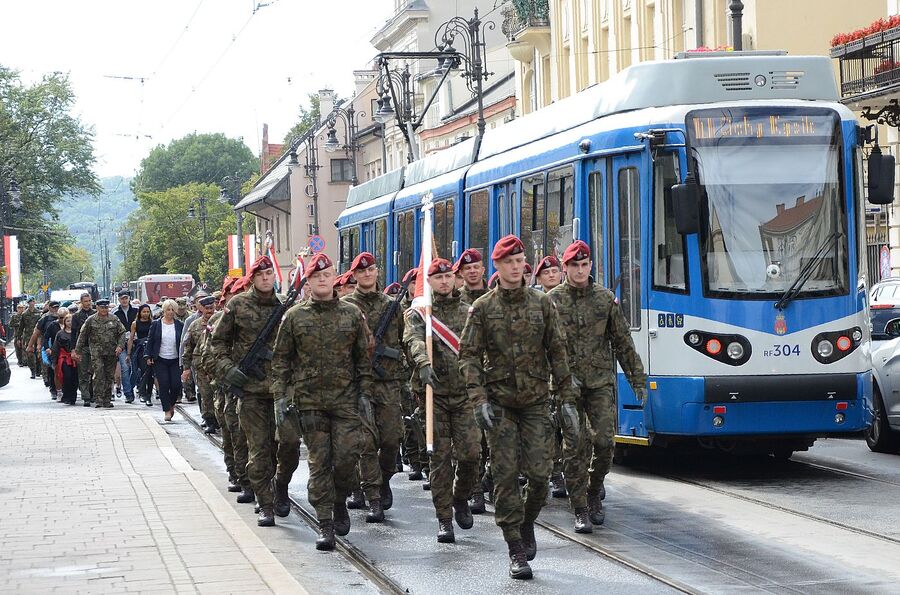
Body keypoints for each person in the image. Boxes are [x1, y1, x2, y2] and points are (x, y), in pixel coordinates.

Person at [459, 234, 578, 580]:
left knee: (541, 476)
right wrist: (478, 399)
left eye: (519, 261)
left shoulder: (541, 305)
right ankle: (514, 547)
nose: (515, 267)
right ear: (496, 266)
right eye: (508, 262)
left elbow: (558, 352)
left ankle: (526, 523)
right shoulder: (483, 308)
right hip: (500, 406)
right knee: (506, 475)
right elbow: (467, 356)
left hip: (537, 402)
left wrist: (567, 398)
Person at [271, 253, 372, 550]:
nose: (323, 279)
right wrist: (279, 396)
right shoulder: (294, 316)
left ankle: (340, 499)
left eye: (327, 274)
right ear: (309, 281)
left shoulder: (351, 314)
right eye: (317, 276)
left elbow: (362, 358)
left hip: (345, 401)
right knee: (318, 462)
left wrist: (365, 392)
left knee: (345, 461)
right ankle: (325, 522)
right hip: (310, 401)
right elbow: (281, 361)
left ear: (334, 277)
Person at [548, 240, 647, 533]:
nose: (580, 270)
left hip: (599, 383)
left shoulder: (606, 300)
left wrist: (636, 379)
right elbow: (541, 346)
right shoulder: (551, 301)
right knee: (574, 447)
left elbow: (623, 342)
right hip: (566, 387)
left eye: (584, 264)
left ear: (591, 265)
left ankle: (594, 490)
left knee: (604, 443)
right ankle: (579, 508)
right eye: (574, 265)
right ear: (565, 268)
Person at [211, 256, 299, 527]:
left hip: (282, 391)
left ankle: (281, 485)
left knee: (289, 447)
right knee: (259, 450)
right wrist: (228, 369)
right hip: (251, 392)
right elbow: (217, 344)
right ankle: (266, 504)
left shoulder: (287, 307)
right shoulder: (237, 305)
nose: (265, 277)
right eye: (260, 274)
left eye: (270, 272)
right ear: (252, 278)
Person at [404, 258, 479, 543]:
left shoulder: (468, 312)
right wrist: (423, 363)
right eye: (438, 277)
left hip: (464, 396)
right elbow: (413, 340)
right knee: (440, 458)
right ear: (430, 282)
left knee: (471, 455)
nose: (445, 281)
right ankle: (444, 518)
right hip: (433, 396)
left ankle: (460, 497)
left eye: (448, 276)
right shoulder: (420, 313)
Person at [342, 252, 404, 523]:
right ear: (354, 275)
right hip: (358, 385)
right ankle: (374, 498)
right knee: (366, 443)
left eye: (372, 270)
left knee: (391, 440)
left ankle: (384, 478)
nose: (367, 275)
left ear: (377, 272)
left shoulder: (392, 305)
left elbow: (402, 342)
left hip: (388, 382)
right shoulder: (345, 306)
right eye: (362, 271)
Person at [202, 276, 251, 498]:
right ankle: (240, 477)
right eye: (235, 292)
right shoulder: (217, 321)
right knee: (235, 439)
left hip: (256, 389)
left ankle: (259, 482)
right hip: (228, 391)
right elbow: (207, 357)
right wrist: (228, 372)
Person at [533, 255, 566, 498]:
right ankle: (555, 474)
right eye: (547, 273)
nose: (551, 275)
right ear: (539, 278)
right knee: (551, 430)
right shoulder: (537, 304)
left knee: (578, 433)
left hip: (569, 376)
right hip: (546, 381)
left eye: (555, 270)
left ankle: (585, 475)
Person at [74, 299, 126, 409]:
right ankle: (98, 399)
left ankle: (107, 399)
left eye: (106, 307)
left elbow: (122, 333)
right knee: (98, 374)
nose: (104, 309)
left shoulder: (114, 319)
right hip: (96, 352)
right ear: (97, 308)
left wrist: (120, 346)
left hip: (111, 352)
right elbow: (82, 336)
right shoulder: (91, 320)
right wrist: (77, 351)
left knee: (109, 376)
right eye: (102, 307)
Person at [182, 295, 218, 432]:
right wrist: (186, 368)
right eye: (207, 308)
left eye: (211, 308)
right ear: (201, 308)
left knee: (219, 394)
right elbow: (188, 347)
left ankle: (219, 419)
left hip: (218, 366)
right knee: (206, 394)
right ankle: (210, 421)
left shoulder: (221, 322)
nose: (209, 311)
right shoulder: (195, 325)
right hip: (202, 367)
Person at [145, 300, 185, 421]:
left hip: (175, 359)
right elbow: (150, 340)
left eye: (173, 310)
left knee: (176, 385)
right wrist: (148, 356)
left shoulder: (179, 325)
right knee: (164, 383)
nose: (170, 312)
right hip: (160, 359)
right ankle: (167, 410)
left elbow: (183, 342)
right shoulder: (156, 324)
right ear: (164, 310)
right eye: (168, 309)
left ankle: (171, 404)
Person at [28, 301, 61, 399]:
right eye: (54, 307)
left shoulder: (64, 317)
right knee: (51, 368)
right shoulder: (45, 319)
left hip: (63, 346)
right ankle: (53, 390)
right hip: (49, 346)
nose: (56, 309)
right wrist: (30, 345)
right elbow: (36, 333)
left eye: (57, 307)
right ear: (50, 308)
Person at [112, 291, 138, 402]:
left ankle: (132, 387)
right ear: (119, 300)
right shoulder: (115, 313)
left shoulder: (136, 311)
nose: (124, 300)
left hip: (135, 343)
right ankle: (128, 393)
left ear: (129, 298)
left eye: (126, 298)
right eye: (122, 298)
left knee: (136, 369)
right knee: (125, 368)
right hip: (122, 344)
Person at [71, 293, 96, 406]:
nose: (88, 303)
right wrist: (74, 350)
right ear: (81, 302)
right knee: (83, 373)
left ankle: (93, 395)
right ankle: (86, 397)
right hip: (83, 347)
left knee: (95, 372)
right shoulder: (76, 316)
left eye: (89, 301)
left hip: (95, 347)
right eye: (85, 301)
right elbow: (73, 334)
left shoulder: (95, 313)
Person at [128, 304, 154, 405]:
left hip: (150, 349)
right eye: (144, 312)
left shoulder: (153, 322)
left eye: (148, 312)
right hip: (140, 349)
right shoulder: (135, 323)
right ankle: (142, 393)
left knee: (150, 373)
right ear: (140, 313)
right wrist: (129, 353)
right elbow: (131, 338)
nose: (146, 314)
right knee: (143, 371)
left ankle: (149, 394)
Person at [52, 312, 79, 405]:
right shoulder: (60, 333)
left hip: (76, 358)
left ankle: (73, 397)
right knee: (66, 376)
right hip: (64, 358)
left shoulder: (77, 333)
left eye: (71, 321)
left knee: (75, 378)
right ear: (64, 322)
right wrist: (54, 361)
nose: (70, 323)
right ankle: (66, 396)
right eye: (68, 321)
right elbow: (56, 347)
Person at [19, 298, 41, 379]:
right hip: (28, 337)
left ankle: (39, 370)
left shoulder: (38, 313)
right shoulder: (24, 314)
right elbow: (21, 327)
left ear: (34, 302)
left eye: (32, 301)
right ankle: (33, 371)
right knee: (30, 354)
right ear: (28, 303)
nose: (31, 303)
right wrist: (18, 338)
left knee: (38, 353)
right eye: (30, 302)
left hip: (38, 336)